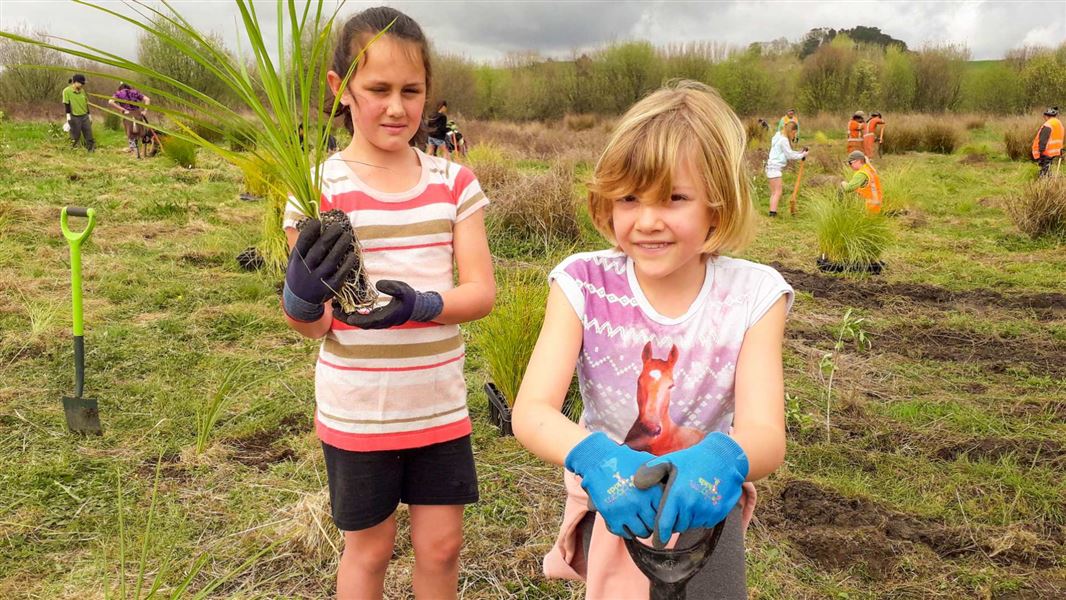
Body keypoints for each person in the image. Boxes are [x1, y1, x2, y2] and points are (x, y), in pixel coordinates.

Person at [513, 80, 793, 600]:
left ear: (717, 203)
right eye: (629, 198)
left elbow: (765, 432)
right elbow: (531, 411)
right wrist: (593, 456)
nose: (647, 221)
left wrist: (725, 458)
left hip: (707, 506)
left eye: (675, 198)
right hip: (611, 503)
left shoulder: (754, 294)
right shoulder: (582, 283)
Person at [280, 7, 494, 599]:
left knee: (442, 546)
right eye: (378, 89)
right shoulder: (317, 187)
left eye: (412, 90)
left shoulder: (453, 182)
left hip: (436, 405)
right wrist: (299, 301)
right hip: (359, 410)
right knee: (370, 550)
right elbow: (315, 323)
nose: (397, 107)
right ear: (340, 89)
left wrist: (423, 304)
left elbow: (480, 292)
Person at [765, 121, 808, 217]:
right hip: (775, 168)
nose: (794, 135)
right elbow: (789, 155)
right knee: (778, 192)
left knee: (774, 192)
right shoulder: (784, 140)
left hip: (770, 167)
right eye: (794, 133)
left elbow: (788, 152)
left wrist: (799, 152)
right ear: (792, 131)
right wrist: (802, 155)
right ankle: (773, 214)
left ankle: (771, 212)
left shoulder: (778, 136)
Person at [107, 82, 151, 157]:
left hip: (127, 115)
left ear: (120, 88)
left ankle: (135, 153)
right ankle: (143, 153)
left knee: (131, 134)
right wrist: (145, 111)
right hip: (137, 114)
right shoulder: (134, 92)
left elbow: (110, 102)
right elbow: (147, 99)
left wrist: (122, 109)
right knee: (141, 133)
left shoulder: (118, 93)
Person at [62, 74, 94, 152]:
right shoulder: (67, 91)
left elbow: (85, 103)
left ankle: (91, 150)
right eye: (81, 83)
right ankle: (73, 150)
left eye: (83, 83)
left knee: (89, 134)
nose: (83, 85)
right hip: (74, 116)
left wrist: (89, 115)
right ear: (75, 82)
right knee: (75, 135)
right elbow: (67, 104)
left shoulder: (82, 91)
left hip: (84, 116)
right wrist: (68, 116)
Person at [1031, 106, 1063, 178]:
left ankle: (1043, 184)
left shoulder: (1048, 125)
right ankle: (1049, 181)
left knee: (1044, 171)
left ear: (1046, 116)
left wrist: (1041, 151)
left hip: (1046, 152)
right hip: (1056, 151)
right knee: (1048, 169)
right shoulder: (1059, 123)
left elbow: (1043, 140)